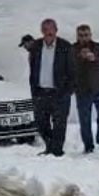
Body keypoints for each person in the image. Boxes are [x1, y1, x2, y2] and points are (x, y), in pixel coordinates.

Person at [27, 18, 77, 156]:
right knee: (41, 122)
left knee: (60, 123)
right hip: (40, 92)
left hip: (59, 92)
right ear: (42, 31)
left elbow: (73, 70)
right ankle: (50, 146)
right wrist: (34, 89)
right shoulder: (36, 46)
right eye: (45, 29)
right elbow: (33, 67)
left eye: (51, 29)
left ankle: (57, 150)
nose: (48, 32)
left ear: (56, 30)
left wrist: (68, 91)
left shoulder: (65, 46)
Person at [74, 24, 99, 153]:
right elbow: (68, 67)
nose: (84, 38)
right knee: (85, 119)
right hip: (82, 89)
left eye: (86, 35)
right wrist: (80, 57)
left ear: (90, 35)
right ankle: (88, 146)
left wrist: (93, 58)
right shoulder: (72, 49)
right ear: (77, 36)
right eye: (81, 35)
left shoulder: (98, 47)